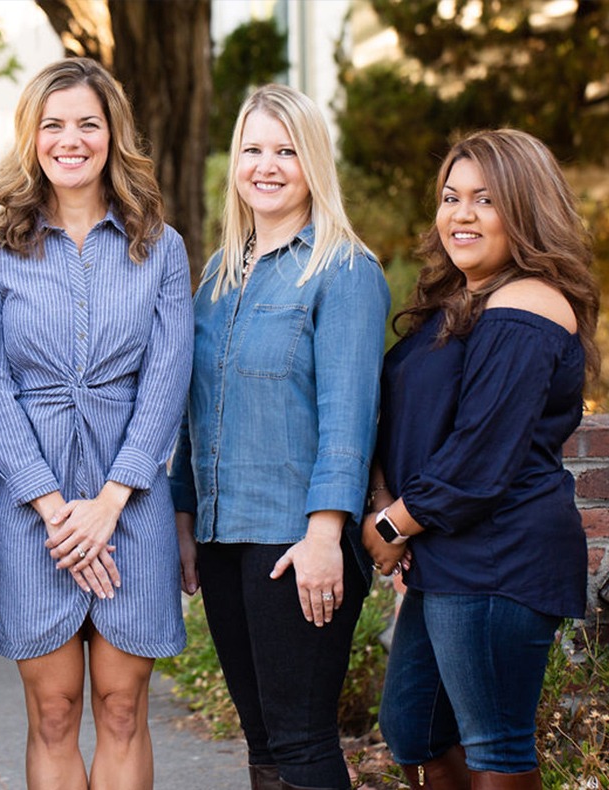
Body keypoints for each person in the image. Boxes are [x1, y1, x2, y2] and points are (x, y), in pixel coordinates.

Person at [0, 57, 193, 789]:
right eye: (53, 125)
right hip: (37, 514)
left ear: (111, 135)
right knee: (54, 713)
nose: (71, 139)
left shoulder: (162, 247)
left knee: (123, 709)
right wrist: (59, 511)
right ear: (32, 139)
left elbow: (166, 380)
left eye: (87, 124)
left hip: (133, 508)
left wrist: (111, 503)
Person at [363, 129, 600, 790]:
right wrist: (383, 495)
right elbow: (408, 420)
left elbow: (478, 458)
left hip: (500, 555)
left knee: (495, 744)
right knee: (415, 728)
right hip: (449, 556)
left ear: (525, 210)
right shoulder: (465, 302)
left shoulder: (528, 303)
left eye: (484, 199)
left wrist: (392, 526)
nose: (459, 214)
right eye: (450, 197)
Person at [169, 84, 390, 790]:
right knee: (262, 743)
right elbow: (191, 411)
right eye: (252, 149)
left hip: (296, 540)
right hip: (223, 537)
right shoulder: (216, 278)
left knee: (300, 742)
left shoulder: (344, 271)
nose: (267, 165)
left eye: (286, 150)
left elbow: (349, 416)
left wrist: (325, 535)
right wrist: (183, 520)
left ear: (312, 162)